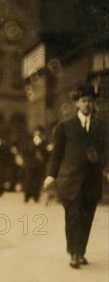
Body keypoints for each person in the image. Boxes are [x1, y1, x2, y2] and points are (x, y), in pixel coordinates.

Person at [44, 84, 107, 269]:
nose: (87, 104)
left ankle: (81, 251)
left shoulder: (101, 126)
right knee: (73, 217)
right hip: (70, 180)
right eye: (84, 101)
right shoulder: (65, 126)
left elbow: (106, 151)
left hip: (92, 180)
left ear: (94, 104)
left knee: (87, 218)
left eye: (90, 101)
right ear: (77, 103)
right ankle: (73, 253)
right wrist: (50, 175)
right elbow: (57, 153)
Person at [23, 126, 50, 202]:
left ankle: (36, 196)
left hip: (40, 165)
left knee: (37, 181)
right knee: (29, 180)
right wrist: (27, 161)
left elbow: (47, 155)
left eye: (39, 133)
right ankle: (27, 196)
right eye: (36, 133)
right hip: (30, 165)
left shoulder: (44, 143)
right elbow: (25, 152)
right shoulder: (29, 142)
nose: (37, 135)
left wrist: (44, 160)